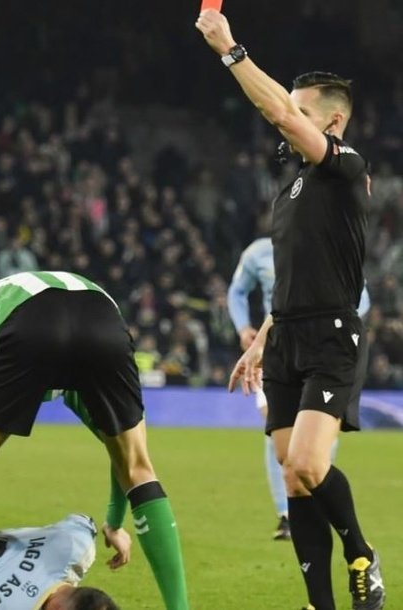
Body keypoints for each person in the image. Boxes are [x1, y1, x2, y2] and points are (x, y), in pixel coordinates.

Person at [198, 9, 385, 610]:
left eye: (302, 113)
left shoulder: (345, 169)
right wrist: (260, 341)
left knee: (307, 463)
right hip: (286, 339)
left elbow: (274, 107)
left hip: (332, 336)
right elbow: (294, 282)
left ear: (332, 121)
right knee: (291, 472)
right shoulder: (292, 191)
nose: (286, 120)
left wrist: (229, 48)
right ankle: (319, 603)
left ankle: (362, 553)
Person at [0, 271, 188, 610]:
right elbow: (119, 452)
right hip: (104, 317)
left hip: (25, 318)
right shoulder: (70, 374)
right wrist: (114, 523)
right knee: (140, 468)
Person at [227, 237, 370, 541]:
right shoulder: (258, 253)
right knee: (277, 431)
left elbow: (362, 297)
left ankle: (317, 493)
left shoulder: (329, 249)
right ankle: (286, 513)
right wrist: (244, 329)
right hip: (276, 352)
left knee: (316, 433)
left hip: (324, 354)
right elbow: (237, 291)